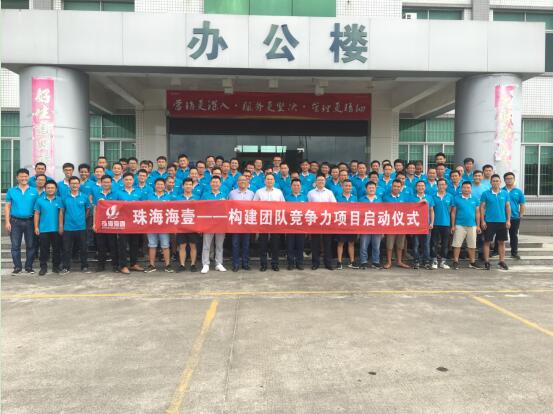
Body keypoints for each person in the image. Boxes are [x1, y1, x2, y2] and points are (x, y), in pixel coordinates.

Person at [5, 168, 39, 275]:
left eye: (25, 176)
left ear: (28, 177)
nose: (23, 178)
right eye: (21, 176)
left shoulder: (34, 191)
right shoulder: (11, 191)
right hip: (15, 221)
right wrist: (7, 222)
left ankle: (29, 267)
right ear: (17, 177)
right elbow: (7, 207)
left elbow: (37, 209)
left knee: (31, 245)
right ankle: (17, 267)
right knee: (15, 246)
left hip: (30, 221)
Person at [59, 176, 91, 274]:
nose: (74, 185)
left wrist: (83, 219)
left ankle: (84, 266)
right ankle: (66, 267)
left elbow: (88, 209)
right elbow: (61, 212)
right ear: (69, 185)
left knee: (83, 248)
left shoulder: (84, 196)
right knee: (66, 249)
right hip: (68, 227)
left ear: (79, 184)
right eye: (72, 183)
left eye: (76, 183)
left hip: (81, 227)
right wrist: (61, 225)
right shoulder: (64, 197)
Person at [254, 174, 286, 271]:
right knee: (263, 244)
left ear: (274, 181)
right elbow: (254, 205)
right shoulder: (259, 192)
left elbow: (283, 206)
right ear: (264, 181)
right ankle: (263, 264)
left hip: (275, 221)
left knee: (275, 244)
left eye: (271, 179)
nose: (269, 181)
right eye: (268, 179)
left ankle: (275, 264)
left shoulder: (278, 192)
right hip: (263, 221)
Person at [114, 172, 145, 274]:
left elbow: (144, 206)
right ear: (123, 181)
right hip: (123, 223)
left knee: (134, 244)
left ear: (133, 181)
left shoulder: (139, 192)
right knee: (122, 245)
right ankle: (123, 265)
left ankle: (133, 264)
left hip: (135, 222)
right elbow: (114, 207)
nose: (128, 181)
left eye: (130, 180)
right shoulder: (118, 193)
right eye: (126, 180)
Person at [480, 174, 511, 270]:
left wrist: (508, 220)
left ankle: (501, 261)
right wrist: (482, 220)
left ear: (500, 182)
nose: (495, 182)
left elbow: (507, 207)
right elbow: (482, 207)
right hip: (489, 222)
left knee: (501, 242)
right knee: (487, 242)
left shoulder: (505, 193)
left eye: (497, 181)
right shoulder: (485, 193)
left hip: (502, 221)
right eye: (493, 181)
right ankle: (487, 262)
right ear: (491, 182)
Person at [450, 182, 482, 270]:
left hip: (472, 225)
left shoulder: (475, 199)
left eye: (468, 188)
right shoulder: (456, 198)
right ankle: (455, 261)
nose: (466, 189)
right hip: (459, 224)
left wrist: (478, 225)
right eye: (464, 187)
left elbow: (477, 213)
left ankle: (472, 262)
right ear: (461, 188)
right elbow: (453, 213)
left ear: (471, 189)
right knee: (457, 244)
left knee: (472, 245)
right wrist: (453, 225)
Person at [307, 174, 336, 270]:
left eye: (322, 180)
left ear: (325, 181)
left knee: (327, 243)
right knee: (315, 243)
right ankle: (315, 263)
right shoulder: (311, 193)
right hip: (315, 220)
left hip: (326, 220)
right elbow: (307, 207)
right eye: (319, 180)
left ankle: (328, 263)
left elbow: (334, 205)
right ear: (315, 182)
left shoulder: (329, 193)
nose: (320, 182)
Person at [144, 178, 174, 273]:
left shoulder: (169, 197)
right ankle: (152, 265)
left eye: (161, 184)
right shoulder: (149, 196)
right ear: (155, 185)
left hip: (164, 225)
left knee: (165, 245)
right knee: (152, 245)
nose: (160, 186)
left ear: (164, 186)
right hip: (151, 224)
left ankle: (168, 265)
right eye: (158, 184)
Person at [33, 180, 62, 275]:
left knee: (56, 249)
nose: (50, 189)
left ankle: (56, 267)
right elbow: (37, 214)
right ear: (45, 189)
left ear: (56, 189)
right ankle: (43, 267)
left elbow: (61, 214)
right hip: (43, 229)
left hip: (56, 229)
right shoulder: (40, 200)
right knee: (44, 249)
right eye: (48, 188)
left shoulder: (59, 200)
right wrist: (36, 227)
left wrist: (61, 226)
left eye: (52, 188)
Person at [92, 175, 120, 273]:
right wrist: (94, 223)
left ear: (111, 183)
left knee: (113, 245)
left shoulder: (116, 194)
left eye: (108, 182)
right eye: (104, 182)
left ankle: (115, 265)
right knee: (101, 246)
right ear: (101, 183)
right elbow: (95, 209)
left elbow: (120, 208)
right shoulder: (97, 194)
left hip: (112, 223)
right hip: (101, 223)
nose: (106, 184)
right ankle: (101, 265)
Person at [200, 176, 227, 274]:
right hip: (208, 223)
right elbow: (201, 208)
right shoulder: (205, 195)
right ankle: (205, 264)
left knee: (219, 245)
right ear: (210, 183)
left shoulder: (224, 195)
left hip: (220, 223)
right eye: (213, 182)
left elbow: (228, 209)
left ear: (220, 184)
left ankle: (218, 263)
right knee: (206, 245)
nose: (215, 184)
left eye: (217, 182)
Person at [228, 175, 254, 272]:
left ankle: (245, 263)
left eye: (244, 180)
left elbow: (255, 207)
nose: (242, 182)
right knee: (235, 243)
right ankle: (235, 264)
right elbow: (228, 206)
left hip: (247, 222)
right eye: (240, 180)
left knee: (246, 244)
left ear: (247, 182)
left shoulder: (251, 193)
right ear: (237, 182)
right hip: (236, 222)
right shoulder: (232, 193)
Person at [382, 180, 410, 269]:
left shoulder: (405, 197)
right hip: (390, 224)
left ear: (401, 187)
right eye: (395, 186)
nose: (396, 188)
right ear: (392, 187)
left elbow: (410, 208)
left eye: (398, 186)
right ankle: (389, 262)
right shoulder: (386, 198)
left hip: (401, 224)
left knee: (400, 244)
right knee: (389, 244)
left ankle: (399, 261)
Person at [175, 178, 200, 272]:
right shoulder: (178, 198)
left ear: (192, 186)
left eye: (190, 184)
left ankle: (193, 264)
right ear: (183, 186)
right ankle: (182, 265)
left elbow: (200, 212)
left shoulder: (197, 198)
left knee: (193, 245)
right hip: (181, 226)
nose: (188, 186)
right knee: (182, 246)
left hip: (193, 225)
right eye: (186, 184)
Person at [335, 179, 359, 269]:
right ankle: (339, 262)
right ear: (342, 186)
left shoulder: (355, 198)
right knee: (340, 243)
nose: (348, 187)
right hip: (341, 223)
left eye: (349, 186)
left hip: (351, 224)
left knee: (351, 243)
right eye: (346, 185)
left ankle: (352, 261)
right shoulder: (338, 197)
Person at [359, 182, 383, 269]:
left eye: (373, 188)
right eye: (369, 188)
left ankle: (376, 261)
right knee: (363, 245)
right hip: (365, 225)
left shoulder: (380, 199)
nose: (371, 189)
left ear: (375, 189)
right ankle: (363, 261)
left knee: (376, 245)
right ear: (366, 189)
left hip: (377, 226)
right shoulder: (361, 199)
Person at [411, 181, 434, 270]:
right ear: (416, 187)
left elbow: (431, 210)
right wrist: (420, 202)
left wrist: (431, 223)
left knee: (426, 244)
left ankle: (426, 262)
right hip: (415, 225)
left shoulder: (429, 197)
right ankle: (416, 261)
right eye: (419, 186)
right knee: (415, 244)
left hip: (426, 225)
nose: (421, 187)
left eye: (422, 186)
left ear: (425, 187)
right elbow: (409, 209)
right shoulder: (411, 197)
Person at [285, 178, 307, 270]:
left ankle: (300, 263)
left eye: (298, 185)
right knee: (290, 246)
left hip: (301, 226)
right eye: (294, 185)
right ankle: (290, 263)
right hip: (290, 225)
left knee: (300, 246)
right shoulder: (286, 197)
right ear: (291, 186)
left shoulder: (305, 197)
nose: (296, 187)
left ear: (300, 186)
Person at [431, 179, 453, 269]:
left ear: (446, 186)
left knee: (445, 244)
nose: (441, 186)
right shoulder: (433, 196)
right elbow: (431, 210)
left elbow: (451, 210)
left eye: (443, 184)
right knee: (434, 243)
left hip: (446, 223)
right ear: (437, 186)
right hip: (435, 223)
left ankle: (443, 262)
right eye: (440, 184)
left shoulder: (450, 196)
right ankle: (434, 261)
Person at [503, 172, 526, 260]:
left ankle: (514, 252)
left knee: (513, 235)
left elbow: (522, 204)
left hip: (515, 217)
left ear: (514, 179)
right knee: (500, 235)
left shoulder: (518, 191)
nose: (509, 180)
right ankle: (496, 251)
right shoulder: (501, 191)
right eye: (507, 179)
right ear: (504, 180)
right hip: (502, 217)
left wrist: (521, 214)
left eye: (511, 178)